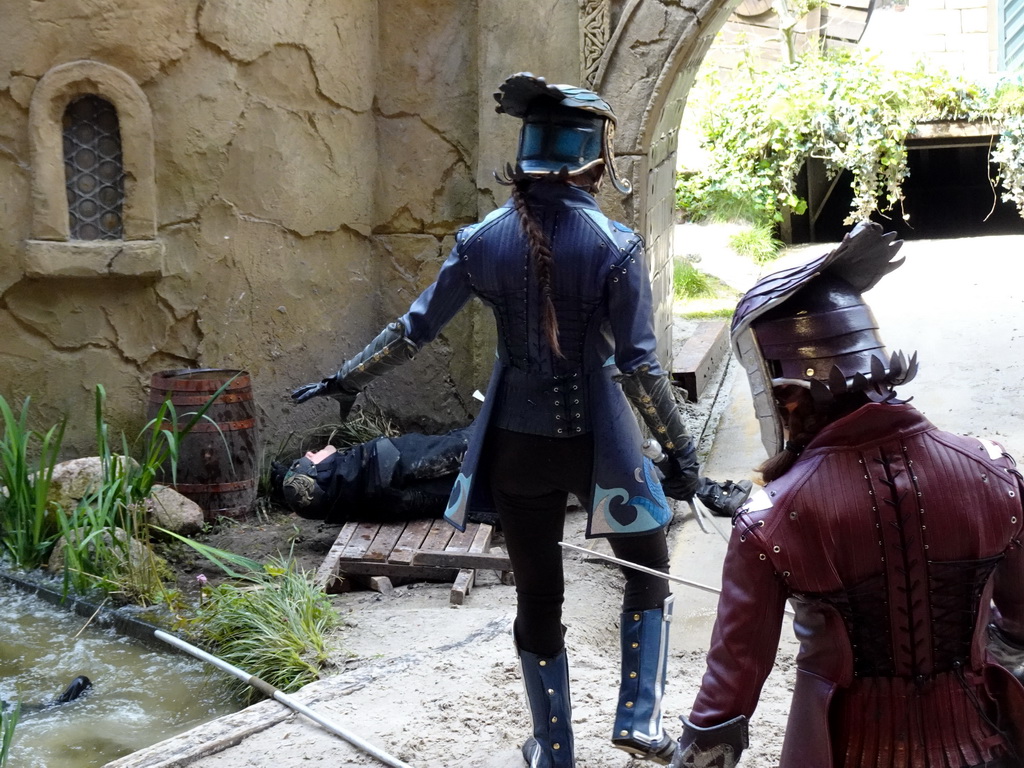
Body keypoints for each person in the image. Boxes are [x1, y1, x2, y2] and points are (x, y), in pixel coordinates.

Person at [292, 72, 750, 767]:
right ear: (594, 159)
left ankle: (554, 750)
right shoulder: (616, 245)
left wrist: (344, 379)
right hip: (604, 445)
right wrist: (681, 455)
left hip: (514, 445)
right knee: (648, 568)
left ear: (526, 156)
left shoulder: (481, 241)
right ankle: (637, 716)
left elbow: (413, 329)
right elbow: (640, 367)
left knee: (538, 594)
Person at [669, 222, 1024, 768]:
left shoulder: (772, 519)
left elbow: (729, 694)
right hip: (985, 747)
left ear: (784, 392)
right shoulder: (993, 471)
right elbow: (1019, 627)